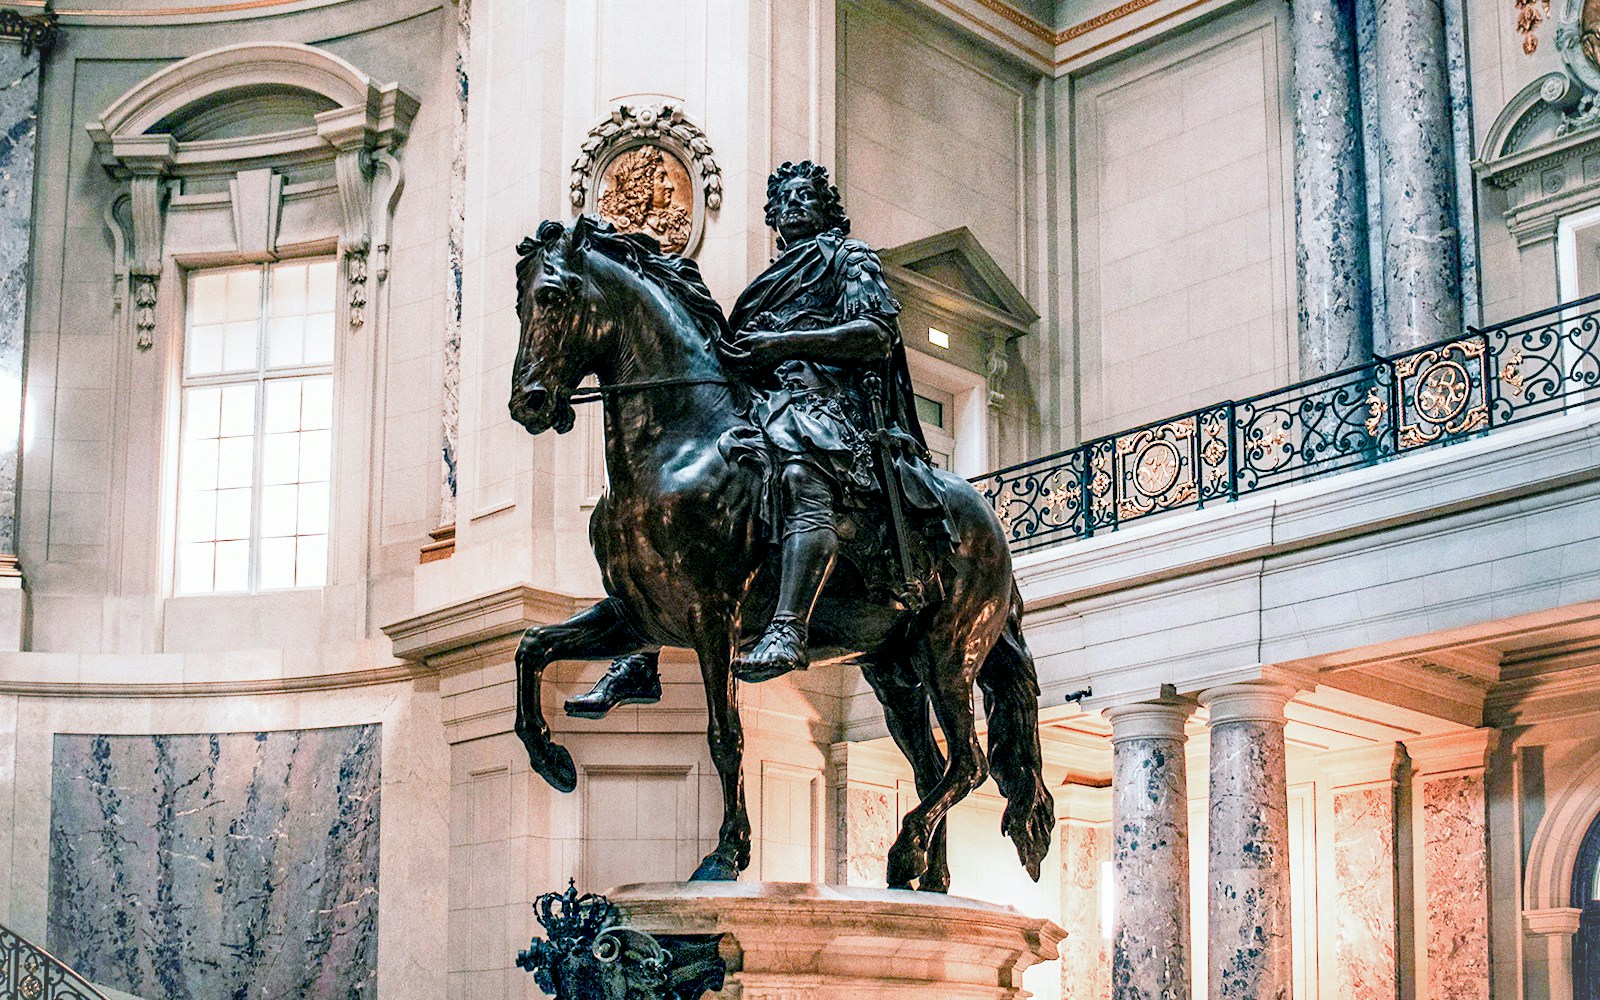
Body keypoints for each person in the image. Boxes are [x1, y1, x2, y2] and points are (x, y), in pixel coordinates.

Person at [564, 161, 947, 716]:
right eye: (783, 200)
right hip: (766, 404)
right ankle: (642, 651)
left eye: (805, 197)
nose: (791, 206)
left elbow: (875, 332)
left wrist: (783, 343)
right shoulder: (763, 286)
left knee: (796, 463)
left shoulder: (848, 259)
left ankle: (789, 626)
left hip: (826, 405)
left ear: (827, 209)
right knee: (699, 491)